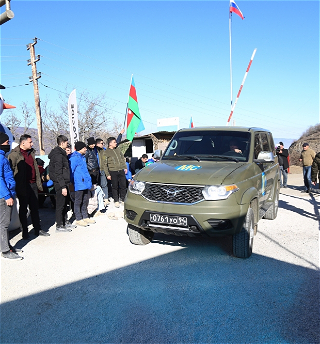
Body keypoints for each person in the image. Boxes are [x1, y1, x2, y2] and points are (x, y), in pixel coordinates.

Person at [8, 134, 50, 239]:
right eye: (30, 142)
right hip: (22, 186)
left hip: (33, 185)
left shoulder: (31, 153)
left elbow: (35, 168)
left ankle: (37, 229)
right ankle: (25, 231)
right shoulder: (14, 155)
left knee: (35, 208)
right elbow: (10, 172)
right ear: (23, 143)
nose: (32, 144)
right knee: (23, 209)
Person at [0, 132, 23, 260]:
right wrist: (7, 195)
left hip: (6, 194)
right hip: (4, 196)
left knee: (2, 223)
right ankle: (5, 250)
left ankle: (6, 245)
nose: (8, 144)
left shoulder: (2, 157)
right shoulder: (0, 158)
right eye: (6, 142)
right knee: (3, 224)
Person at [48, 135, 74, 232]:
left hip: (65, 182)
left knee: (65, 203)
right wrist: (63, 186)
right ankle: (59, 225)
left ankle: (64, 222)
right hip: (60, 184)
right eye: (66, 143)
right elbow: (58, 172)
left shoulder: (62, 154)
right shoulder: (58, 156)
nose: (67, 145)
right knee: (60, 204)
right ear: (62, 143)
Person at [69, 141, 95, 226]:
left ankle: (85, 216)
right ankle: (78, 218)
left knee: (85, 200)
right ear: (80, 148)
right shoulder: (74, 158)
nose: (86, 149)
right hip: (78, 183)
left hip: (85, 183)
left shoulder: (83, 157)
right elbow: (71, 171)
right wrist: (71, 182)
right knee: (78, 201)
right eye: (84, 148)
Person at [102, 136, 127, 208]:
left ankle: (123, 199)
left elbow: (122, 158)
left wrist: (125, 167)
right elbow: (105, 164)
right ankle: (116, 200)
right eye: (114, 142)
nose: (116, 143)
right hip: (113, 171)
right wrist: (107, 174)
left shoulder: (118, 149)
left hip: (121, 170)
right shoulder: (106, 152)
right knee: (115, 186)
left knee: (123, 185)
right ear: (110, 144)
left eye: (116, 142)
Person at [95, 138, 109, 202]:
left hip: (103, 169)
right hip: (96, 170)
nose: (103, 144)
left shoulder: (104, 150)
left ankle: (106, 198)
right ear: (97, 144)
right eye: (101, 143)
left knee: (104, 184)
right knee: (97, 185)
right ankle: (98, 198)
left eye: (103, 143)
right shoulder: (94, 151)